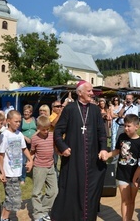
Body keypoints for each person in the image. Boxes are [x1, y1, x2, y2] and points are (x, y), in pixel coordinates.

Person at [51, 80, 108, 220]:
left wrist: (104, 149)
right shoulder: (70, 109)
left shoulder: (95, 110)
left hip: (92, 159)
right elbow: (57, 131)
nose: (92, 93)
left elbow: (102, 132)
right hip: (74, 158)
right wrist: (63, 148)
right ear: (80, 92)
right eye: (89, 91)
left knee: (91, 188)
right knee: (72, 188)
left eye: (92, 91)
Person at [107, 114, 140, 221]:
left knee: (131, 200)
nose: (126, 128)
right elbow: (117, 150)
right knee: (125, 200)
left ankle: (129, 218)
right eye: (125, 126)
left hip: (135, 176)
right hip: (122, 173)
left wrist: (138, 178)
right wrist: (107, 155)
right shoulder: (121, 137)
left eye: (129, 126)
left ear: (136, 127)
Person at [0, 110, 33, 221]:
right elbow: (0, 155)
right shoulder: (5, 135)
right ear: (8, 121)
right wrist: (2, 172)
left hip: (17, 171)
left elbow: (24, 148)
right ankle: (4, 218)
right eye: (16, 121)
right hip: (8, 172)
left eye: (19, 122)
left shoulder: (19, 134)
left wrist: (30, 159)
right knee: (14, 198)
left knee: (11, 197)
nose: (18, 124)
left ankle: (4, 217)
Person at [30, 115, 58, 221]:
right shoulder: (35, 139)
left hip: (51, 166)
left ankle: (44, 211)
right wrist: (30, 162)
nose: (46, 131)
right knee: (37, 192)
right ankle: (37, 214)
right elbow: (32, 152)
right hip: (39, 167)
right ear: (38, 128)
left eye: (47, 129)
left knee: (54, 191)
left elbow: (55, 148)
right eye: (43, 130)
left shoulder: (52, 136)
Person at [20, 104, 37, 184]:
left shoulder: (35, 119)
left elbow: (39, 129)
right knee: (24, 160)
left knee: (35, 160)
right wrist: (26, 138)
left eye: (27, 112)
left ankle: (35, 176)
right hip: (24, 142)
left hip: (34, 142)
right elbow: (19, 131)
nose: (26, 113)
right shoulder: (21, 120)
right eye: (25, 111)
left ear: (31, 113)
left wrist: (33, 136)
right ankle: (22, 178)